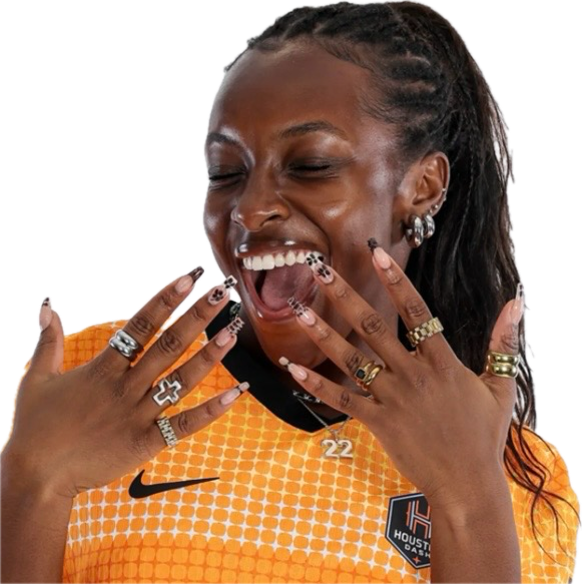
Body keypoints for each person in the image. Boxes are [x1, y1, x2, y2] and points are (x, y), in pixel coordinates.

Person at [1, 0, 580, 582]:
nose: (249, 210)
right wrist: (32, 483)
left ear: (423, 187)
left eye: (310, 165)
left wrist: (468, 495)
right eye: (226, 173)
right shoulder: (85, 385)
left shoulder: (523, 478)